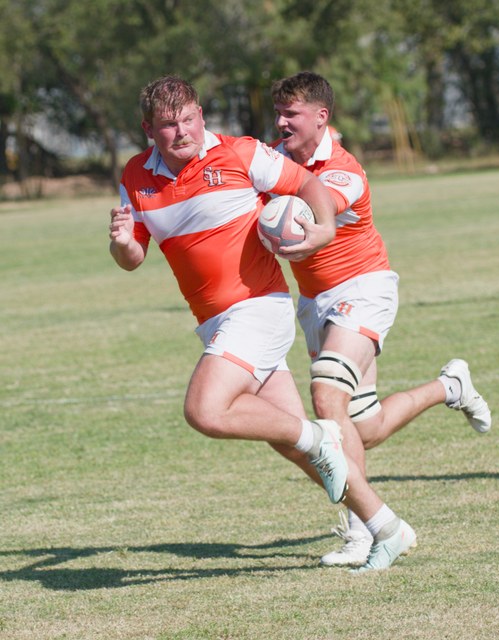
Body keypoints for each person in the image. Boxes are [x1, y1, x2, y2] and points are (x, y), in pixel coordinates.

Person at [108, 75, 414, 573]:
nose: (182, 132)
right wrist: (123, 243)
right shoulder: (135, 174)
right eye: (168, 124)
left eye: (189, 119)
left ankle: (319, 435)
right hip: (213, 321)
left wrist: (323, 230)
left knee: (205, 410)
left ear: (201, 116)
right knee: (289, 445)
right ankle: (384, 527)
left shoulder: (241, 153)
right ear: (148, 129)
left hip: (256, 308)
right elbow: (134, 256)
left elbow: (308, 184)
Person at [269, 71, 492, 566]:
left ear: (321, 117)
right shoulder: (276, 159)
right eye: (278, 113)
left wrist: (272, 209)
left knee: (327, 395)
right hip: (315, 302)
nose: (281, 122)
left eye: (292, 114)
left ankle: (364, 532)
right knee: (363, 427)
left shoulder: (343, 170)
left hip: (363, 289)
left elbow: (316, 210)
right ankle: (449, 386)